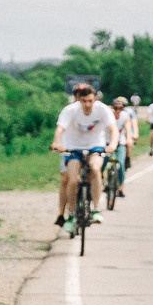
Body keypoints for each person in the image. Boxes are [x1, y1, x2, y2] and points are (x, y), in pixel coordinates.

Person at [53, 80, 116, 232]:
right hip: (73, 146)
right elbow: (60, 129)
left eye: (90, 101)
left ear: (95, 99)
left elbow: (113, 129)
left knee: (95, 169)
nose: (87, 105)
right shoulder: (70, 110)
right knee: (72, 179)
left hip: (95, 145)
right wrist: (57, 143)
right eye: (83, 101)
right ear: (78, 100)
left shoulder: (103, 109)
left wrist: (112, 144)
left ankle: (95, 209)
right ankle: (72, 214)